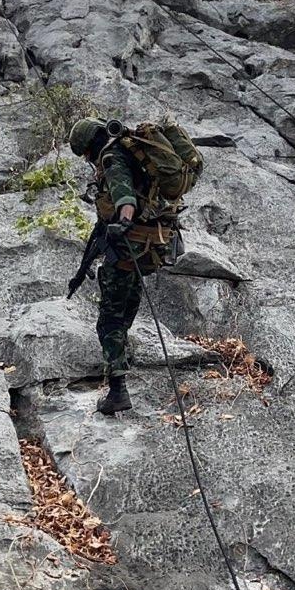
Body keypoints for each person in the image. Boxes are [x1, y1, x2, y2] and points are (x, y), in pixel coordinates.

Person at [67, 117, 182, 415]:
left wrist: (124, 218)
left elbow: (123, 194)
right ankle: (122, 355)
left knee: (109, 321)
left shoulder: (111, 156)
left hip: (128, 245)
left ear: (90, 145)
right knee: (128, 301)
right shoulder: (133, 151)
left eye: (86, 155)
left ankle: (117, 391)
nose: (90, 161)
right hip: (150, 245)